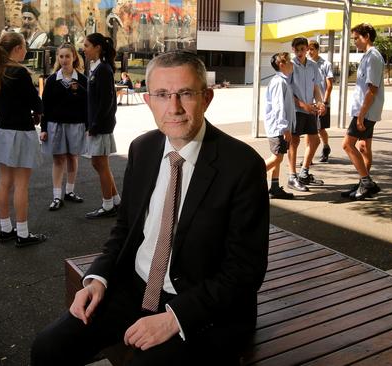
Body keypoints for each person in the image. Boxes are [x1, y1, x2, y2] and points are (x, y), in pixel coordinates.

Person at [31, 50, 269, 365]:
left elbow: (244, 270)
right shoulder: (143, 149)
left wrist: (175, 317)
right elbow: (125, 229)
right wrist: (97, 278)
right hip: (137, 287)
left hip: (205, 307)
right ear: (148, 101)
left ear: (207, 97)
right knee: (48, 348)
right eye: (161, 95)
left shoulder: (242, 165)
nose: (174, 107)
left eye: (185, 93)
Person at [0, 32, 46, 246]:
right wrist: (39, 109)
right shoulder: (19, 73)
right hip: (21, 133)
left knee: (4, 183)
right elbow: (35, 101)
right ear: (17, 49)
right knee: (21, 185)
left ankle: (6, 229)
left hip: (2, 132)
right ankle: (22, 233)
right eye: (24, 46)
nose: (26, 50)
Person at [40, 43, 88, 211]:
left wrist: (88, 127)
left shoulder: (82, 79)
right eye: (61, 56)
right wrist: (44, 128)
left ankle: (70, 191)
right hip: (56, 125)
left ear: (74, 57)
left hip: (76, 125)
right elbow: (44, 106)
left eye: (68, 56)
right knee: (58, 159)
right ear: (57, 58)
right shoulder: (52, 80)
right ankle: (56, 196)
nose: (64, 59)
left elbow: (87, 105)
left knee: (73, 158)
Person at [341, 23, 384, 200]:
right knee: (364, 147)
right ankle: (364, 182)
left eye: (356, 38)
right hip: (364, 110)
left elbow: (372, 89)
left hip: (365, 111)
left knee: (347, 145)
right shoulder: (367, 56)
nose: (355, 42)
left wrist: (360, 115)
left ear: (366, 36)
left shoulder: (373, 57)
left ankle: (366, 182)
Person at [82, 33, 121, 219]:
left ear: (97, 47)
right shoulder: (96, 67)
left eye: (87, 45)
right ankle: (116, 201)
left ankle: (108, 206)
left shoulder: (103, 70)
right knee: (99, 164)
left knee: (100, 163)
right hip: (98, 124)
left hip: (101, 125)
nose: (84, 48)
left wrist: (95, 125)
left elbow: (107, 102)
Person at [287, 37, 326, 192]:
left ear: (307, 49)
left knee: (315, 141)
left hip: (310, 109)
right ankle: (292, 176)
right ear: (293, 50)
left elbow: (316, 86)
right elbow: (288, 91)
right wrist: (303, 105)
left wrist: (320, 102)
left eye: (303, 49)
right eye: (297, 50)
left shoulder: (313, 65)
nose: (300, 53)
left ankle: (304, 172)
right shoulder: (290, 66)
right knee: (294, 142)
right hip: (296, 110)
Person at [264, 52, 295, 200]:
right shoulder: (279, 82)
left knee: (277, 157)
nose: (292, 63)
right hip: (278, 128)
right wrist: (285, 128)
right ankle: (247, 179)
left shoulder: (283, 81)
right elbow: (279, 107)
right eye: (289, 61)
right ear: (281, 65)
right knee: (276, 158)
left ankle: (274, 187)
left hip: (278, 127)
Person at [308, 40, 334, 162]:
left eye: (312, 49)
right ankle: (309, 158)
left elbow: (329, 85)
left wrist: (325, 101)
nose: (309, 52)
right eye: (308, 49)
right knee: (309, 130)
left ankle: (325, 146)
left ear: (317, 49)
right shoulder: (306, 64)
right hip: (310, 102)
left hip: (322, 101)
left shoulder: (326, 64)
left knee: (320, 129)